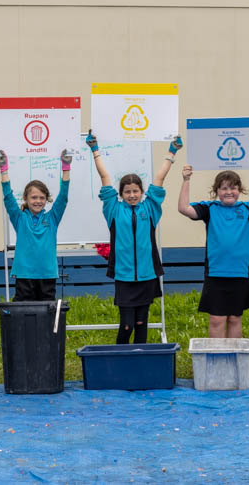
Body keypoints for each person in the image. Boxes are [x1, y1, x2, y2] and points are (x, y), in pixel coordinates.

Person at [87, 130, 181, 344]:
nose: (132, 195)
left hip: (147, 276)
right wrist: (95, 150)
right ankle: (119, 360)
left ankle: (139, 361)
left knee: (141, 324)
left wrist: (172, 152)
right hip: (124, 277)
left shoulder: (150, 207)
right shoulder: (113, 209)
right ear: (121, 194)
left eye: (136, 191)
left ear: (142, 192)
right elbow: (104, 177)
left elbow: (160, 177)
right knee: (127, 324)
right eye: (127, 191)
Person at [178, 164, 249, 338]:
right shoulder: (209, 208)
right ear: (216, 190)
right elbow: (184, 208)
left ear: (239, 189)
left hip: (240, 274)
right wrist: (186, 180)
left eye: (233, 187)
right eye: (224, 188)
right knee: (217, 319)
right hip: (216, 274)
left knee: (235, 318)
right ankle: (216, 361)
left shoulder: (248, 209)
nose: (229, 192)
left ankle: (234, 360)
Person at [0, 149, 71, 301]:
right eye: (34, 197)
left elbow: (63, 197)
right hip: (24, 274)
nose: (38, 201)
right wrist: (3, 169)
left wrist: (66, 167)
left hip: (47, 274)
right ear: (26, 198)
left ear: (46, 199)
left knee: (46, 315)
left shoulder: (52, 218)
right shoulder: (19, 218)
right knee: (24, 314)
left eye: (42, 198)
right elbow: (8, 198)